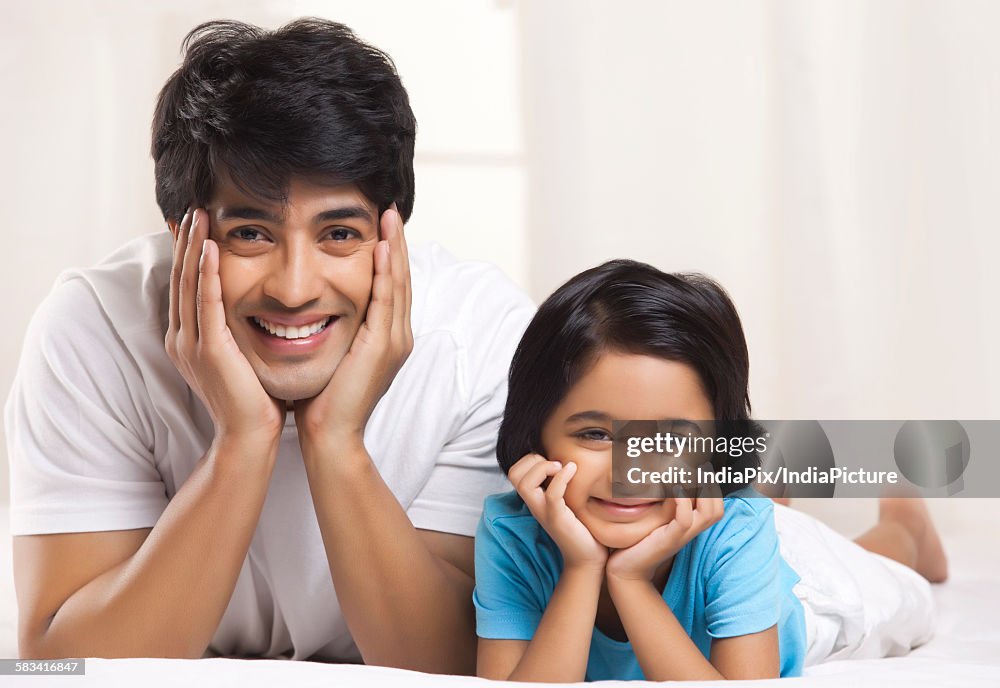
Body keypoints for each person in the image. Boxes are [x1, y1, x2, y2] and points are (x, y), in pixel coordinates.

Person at [6, 19, 534, 671]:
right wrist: (242, 440)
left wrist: (336, 440)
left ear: (391, 231)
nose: (293, 289)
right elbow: (62, 665)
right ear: (180, 234)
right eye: (251, 234)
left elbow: (454, 667)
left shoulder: (480, 338)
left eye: (339, 233)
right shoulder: (94, 328)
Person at [473, 260, 946, 681]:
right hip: (704, 513)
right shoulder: (511, 531)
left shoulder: (737, 532)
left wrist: (630, 581)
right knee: (757, 516)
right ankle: (770, 485)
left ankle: (906, 521)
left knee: (853, 560)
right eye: (596, 434)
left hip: (784, 588)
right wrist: (582, 567)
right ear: (534, 434)